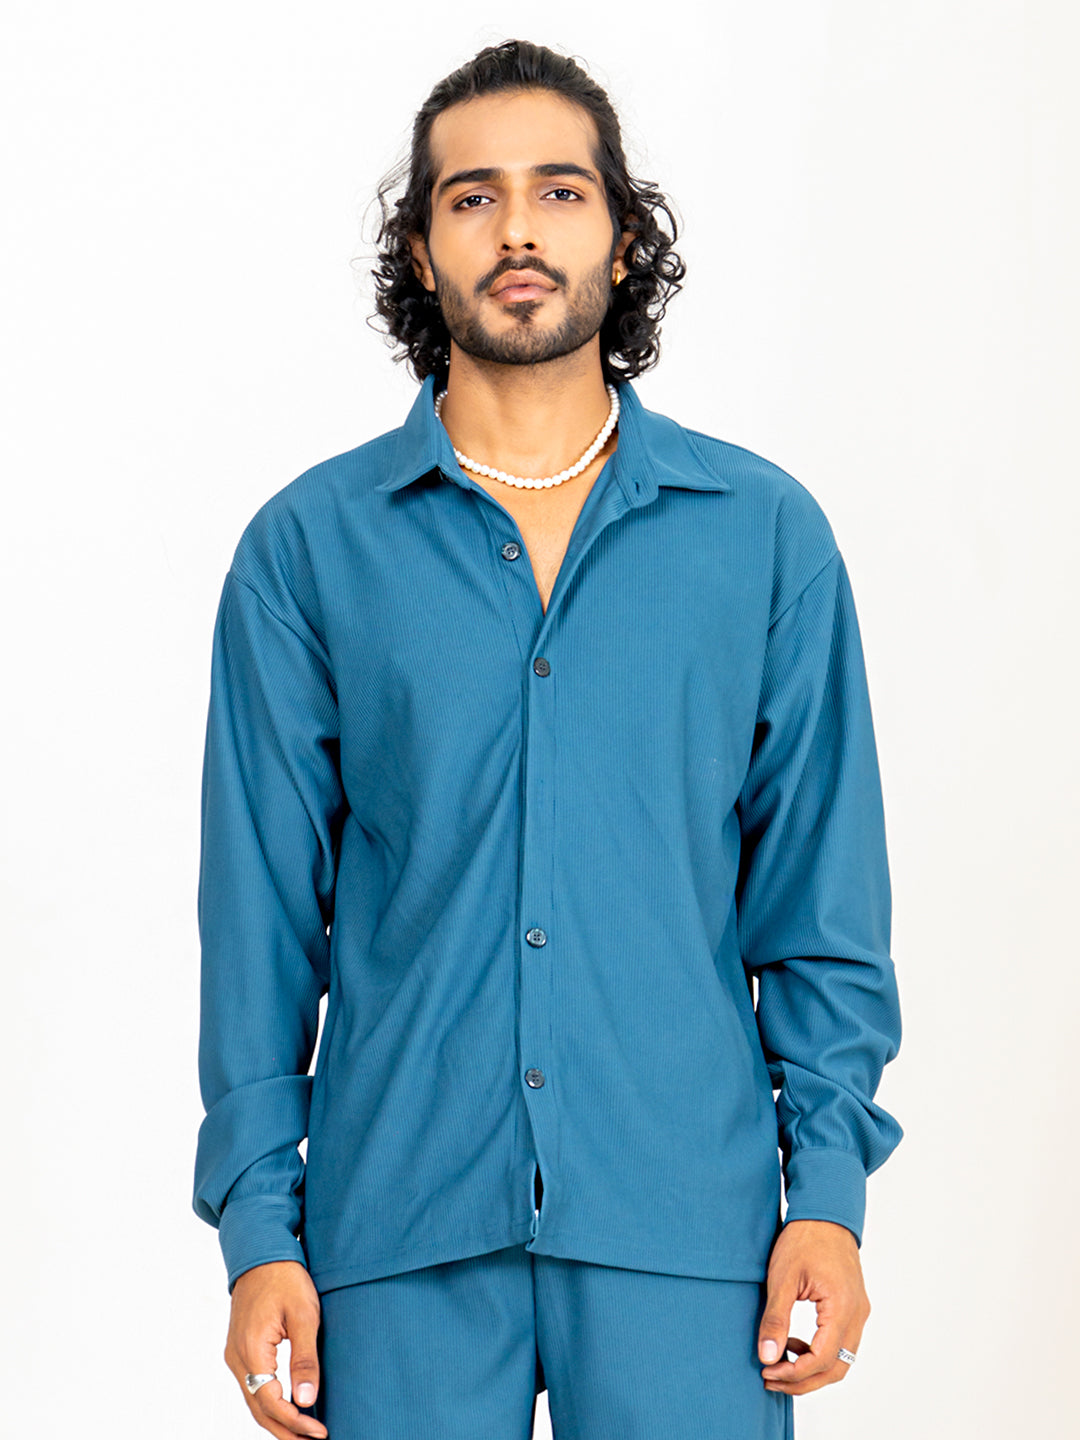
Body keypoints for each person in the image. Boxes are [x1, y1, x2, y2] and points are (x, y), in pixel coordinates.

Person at [192, 37, 903, 1440]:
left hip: (689, 1238)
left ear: (623, 238)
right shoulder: (308, 552)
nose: (518, 228)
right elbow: (259, 929)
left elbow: (821, 906)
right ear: (420, 248)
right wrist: (261, 1228)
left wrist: (825, 1196)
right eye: (473, 197)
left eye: (560, 192)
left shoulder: (765, 539)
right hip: (395, 1238)